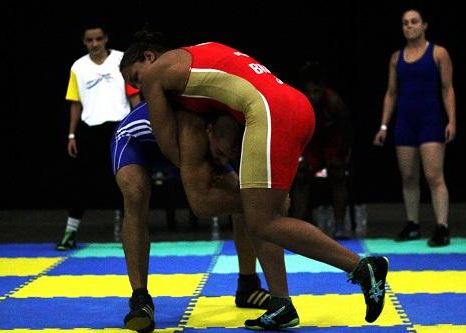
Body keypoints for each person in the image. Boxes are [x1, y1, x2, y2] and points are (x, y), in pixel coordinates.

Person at [119, 28, 389, 330]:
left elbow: (168, 143)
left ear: (148, 57)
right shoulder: (202, 49)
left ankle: (363, 268)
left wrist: (199, 166)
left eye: (135, 78)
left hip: (270, 114)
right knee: (257, 212)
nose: (139, 88)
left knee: (263, 219)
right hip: (294, 106)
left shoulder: (158, 72)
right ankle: (281, 303)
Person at [111, 102, 272, 332]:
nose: (223, 161)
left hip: (180, 146)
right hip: (135, 143)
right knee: (135, 196)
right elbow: (201, 205)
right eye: (220, 153)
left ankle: (248, 284)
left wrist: (249, 197)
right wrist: (266, 202)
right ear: (209, 133)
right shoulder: (192, 133)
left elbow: (225, 171)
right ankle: (140, 298)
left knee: (239, 191)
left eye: (229, 156)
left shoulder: (219, 134)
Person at [373, 9, 456, 247]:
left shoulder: (439, 53)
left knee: (433, 175)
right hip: (405, 123)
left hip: (431, 120)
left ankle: (442, 226)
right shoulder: (396, 58)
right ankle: (412, 224)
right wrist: (383, 125)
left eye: (414, 22)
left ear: (424, 25)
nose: (409, 26)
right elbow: (391, 93)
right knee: (408, 176)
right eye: (405, 23)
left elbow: (447, 89)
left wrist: (451, 120)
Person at [56, 23, 141, 251]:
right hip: (90, 130)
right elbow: (75, 102)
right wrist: (72, 134)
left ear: (106, 39)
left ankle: (131, 233)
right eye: (90, 40)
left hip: (120, 129)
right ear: (84, 42)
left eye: (98, 39)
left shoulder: (122, 60)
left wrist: (138, 125)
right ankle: (70, 233)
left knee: (127, 182)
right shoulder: (78, 67)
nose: (94, 44)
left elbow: (134, 95)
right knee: (79, 184)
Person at [291, 61, 354, 239]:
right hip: (310, 142)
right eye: (308, 92)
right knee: (301, 175)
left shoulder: (334, 102)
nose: (312, 97)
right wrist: (300, 157)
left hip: (332, 141)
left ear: (323, 89)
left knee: (338, 174)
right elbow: (294, 135)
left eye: (316, 92)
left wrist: (340, 156)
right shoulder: (298, 103)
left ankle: (339, 225)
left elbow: (347, 132)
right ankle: (297, 226)